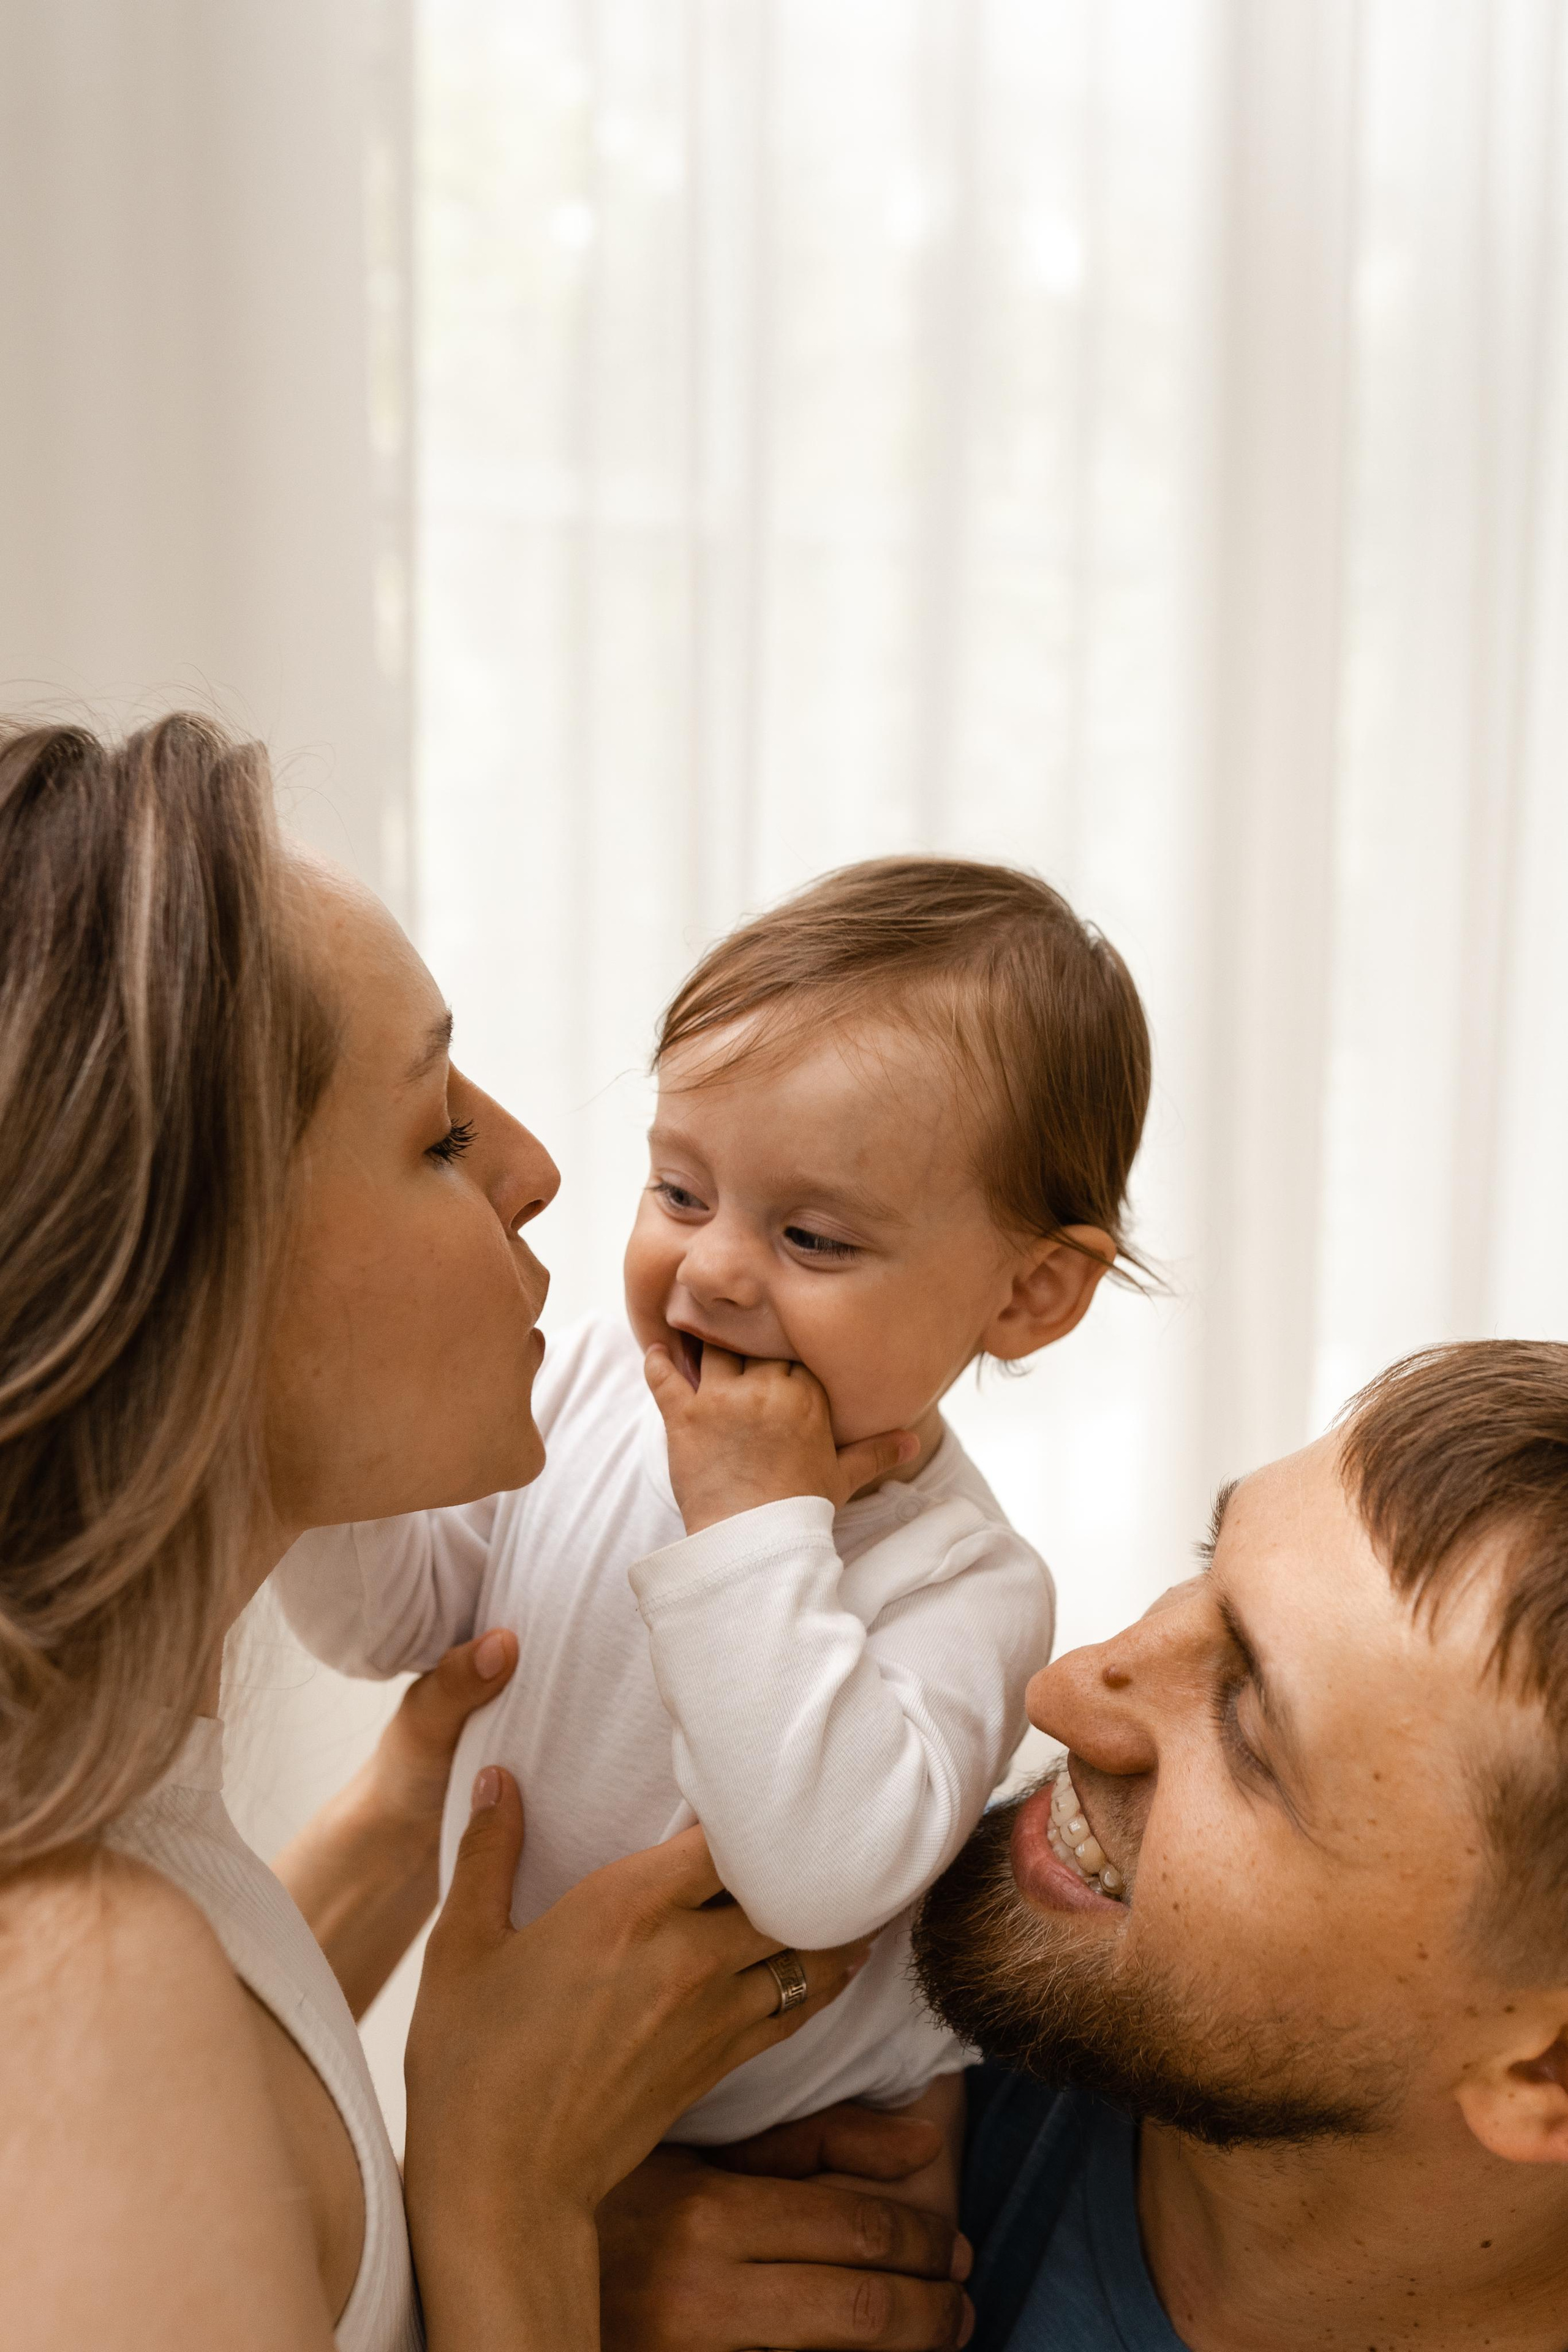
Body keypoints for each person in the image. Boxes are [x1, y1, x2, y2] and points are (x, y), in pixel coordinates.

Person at [0, 714, 884, 2352]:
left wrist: (390, 1852)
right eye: (437, 1135)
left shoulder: (114, 1877)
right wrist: (503, 2208)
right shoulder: (81, 1994)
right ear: (186, 1288)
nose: (546, 1171)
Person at [274, 858, 1151, 2215]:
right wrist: (294, 1410)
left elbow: (813, 1881)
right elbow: (383, 1621)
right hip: (540, 2086)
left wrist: (750, 1519)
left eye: (809, 1236)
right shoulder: (584, 1394)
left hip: (795, 2166)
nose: (711, 1268)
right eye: (679, 1193)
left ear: (1030, 1293)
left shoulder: (965, 1581)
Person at [593, 1341, 1568, 2349]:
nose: (1060, 1689)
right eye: (1204, 1571)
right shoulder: (900, 1933)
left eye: (1247, 1726)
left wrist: (512, 2233)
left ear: (1548, 2071)